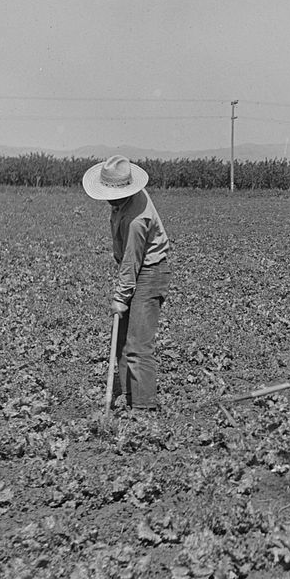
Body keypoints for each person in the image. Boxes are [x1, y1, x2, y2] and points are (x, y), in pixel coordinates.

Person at [82, 154, 171, 410]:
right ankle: (126, 397)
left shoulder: (135, 220)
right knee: (121, 340)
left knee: (137, 345)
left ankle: (143, 410)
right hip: (136, 269)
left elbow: (133, 261)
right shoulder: (123, 201)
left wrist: (121, 298)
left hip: (150, 272)